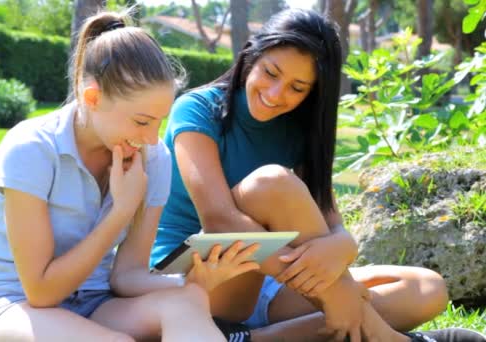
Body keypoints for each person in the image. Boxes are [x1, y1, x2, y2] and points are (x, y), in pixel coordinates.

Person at [148, 8, 476, 342]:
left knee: (425, 289)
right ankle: (386, 338)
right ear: (251, 56)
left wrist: (339, 250)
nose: (276, 94)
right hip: (199, 279)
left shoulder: (297, 130)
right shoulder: (198, 109)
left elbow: (334, 227)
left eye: (297, 87)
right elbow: (220, 220)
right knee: (272, 185)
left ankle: (252, 339)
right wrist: (337, 294)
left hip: (269, 281)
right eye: (270, 73)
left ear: (313, 92)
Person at [0, 9, 262, 342]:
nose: (152, 138)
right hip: (14, 305)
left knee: (189, 301)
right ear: (92, 98)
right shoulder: (31, 148)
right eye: (141, 121)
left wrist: (190, 280)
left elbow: (127, 275)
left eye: (159, 122)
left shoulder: (153, 158)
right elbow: (41, 292)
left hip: (96, 303)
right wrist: (121, 210)